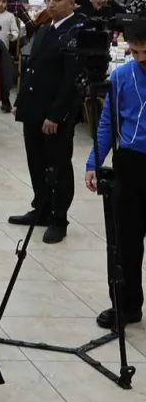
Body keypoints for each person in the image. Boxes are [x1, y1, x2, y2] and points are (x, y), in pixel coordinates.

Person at [10, 0, 83, 244]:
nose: (51, 3)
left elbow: (70, 81)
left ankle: (59, 218)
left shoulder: (75, 33)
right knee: (36, 161)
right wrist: (21, 101)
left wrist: (56, 115)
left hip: (54, 113)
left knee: (57, 166)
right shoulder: (45, 28)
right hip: (34, 108)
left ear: (73, 3)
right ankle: (41, 209)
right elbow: (32, 68)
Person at [86, 19, 146, 329]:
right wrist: (94, 162)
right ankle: (126, 304)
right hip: (131, 162)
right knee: (126, 241)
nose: (141, 59)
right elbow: (108, 122)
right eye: (135, 52)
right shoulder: (122, 76)